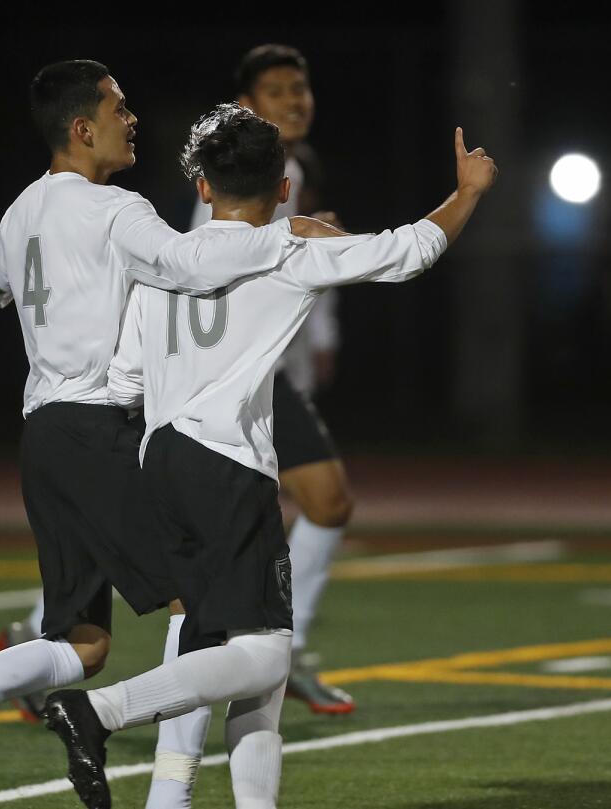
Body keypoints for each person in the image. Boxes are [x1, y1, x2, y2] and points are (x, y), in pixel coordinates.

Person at [0, 60, 334, 809]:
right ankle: (168, 800)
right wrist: (288, 234)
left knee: (83, 646)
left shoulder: (20, 211)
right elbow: (190, 262)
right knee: (198, 604)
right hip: (97, 427)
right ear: (83, 129)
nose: (130, 118)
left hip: (42, 437)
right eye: (118, 107)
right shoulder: (117, 210)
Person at [43, 104, 497, 809]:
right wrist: (467, 191)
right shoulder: (287, 248)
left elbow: (125, 379)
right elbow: (410, 251)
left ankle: (182, 798)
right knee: (266, 654)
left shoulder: (159, 255)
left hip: (159, 460)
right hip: (228, 468)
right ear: (283, 186)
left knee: (232, 658)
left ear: (202, 189)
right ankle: (98, 712)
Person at [190, 44, 357, 719]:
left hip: (258, 368)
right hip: (232, 368)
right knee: (205, 535)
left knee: (300, 508)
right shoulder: (243, 167)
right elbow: (220, 258)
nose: (295, 99)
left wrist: (320, 334)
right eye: (277, 90)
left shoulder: (291, 164)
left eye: (301, 86)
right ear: (244, 107)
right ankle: (48, 641)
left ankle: (275, 654)